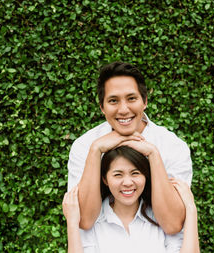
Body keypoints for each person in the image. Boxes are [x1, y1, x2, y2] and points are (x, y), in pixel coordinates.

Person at [67, 62, 192, 236]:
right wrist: (95, 150)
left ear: (145, 101)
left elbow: (172, 224)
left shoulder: (172, 146)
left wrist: (153, 155)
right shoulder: (84, 145)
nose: (123, 110)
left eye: (131, 98)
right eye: (113, 101)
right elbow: (84, 220)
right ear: (102, 107)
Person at [63, 146, 200, 252]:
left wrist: (191, 209)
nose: (127, 182)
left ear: (145, 177)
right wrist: (72, 223)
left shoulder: (160, 218)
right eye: (118, 175)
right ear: (105, 179)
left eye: (135, 173)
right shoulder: (94, 220)